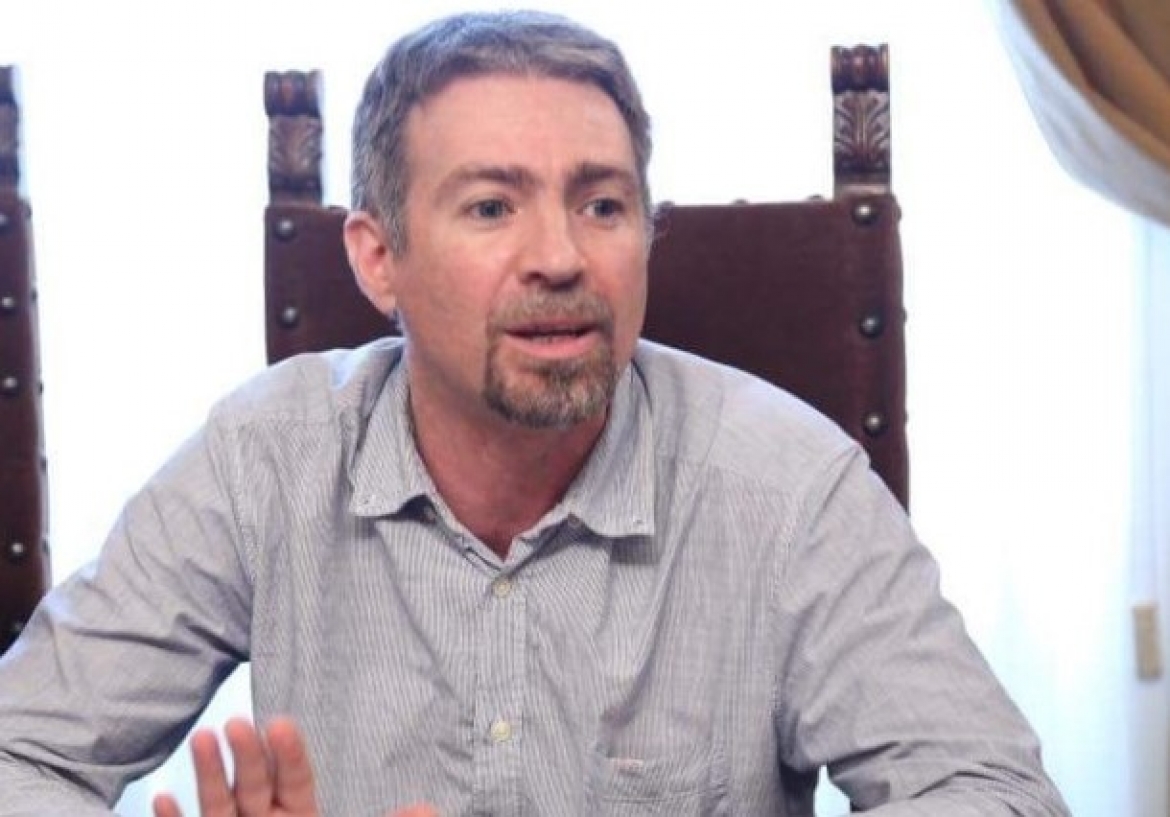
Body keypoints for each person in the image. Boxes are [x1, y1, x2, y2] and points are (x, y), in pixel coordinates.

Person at [0, 9, 1069, 817]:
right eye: (491, 206)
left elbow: (993, 792)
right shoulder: (261, 459)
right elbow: (21, 752)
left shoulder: (788, 485)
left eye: (602, 203)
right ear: (378, 257)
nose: (560, 257)